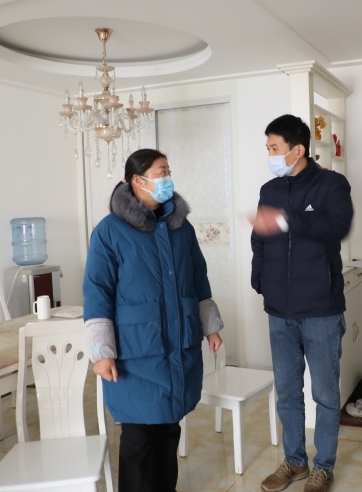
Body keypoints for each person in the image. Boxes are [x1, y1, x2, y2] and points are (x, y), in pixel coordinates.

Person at [83, 149, 224, 492]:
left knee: (169, 429)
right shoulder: (109, 231)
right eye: (161, 172)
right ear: (138, 180)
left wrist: (210, 326)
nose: (167, 178)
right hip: (136, 353)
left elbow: (198, 277)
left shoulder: (181, 228)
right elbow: (97, 291)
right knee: (140, 437)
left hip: (178, 347)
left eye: (168, 171)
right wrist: (101, 352)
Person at [251, 114, 354, 492]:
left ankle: (323, 466)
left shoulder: (332, 184)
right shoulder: (269, 189)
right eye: (267, 148)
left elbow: (336, 227)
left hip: (321, 309)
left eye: (274, 148)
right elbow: (259, 238)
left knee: (324, 394)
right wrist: (259, 276)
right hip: (279, 310)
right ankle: (294, 461)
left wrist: (289, 218)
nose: (270, 155)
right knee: (288, 392)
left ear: (298, 150)